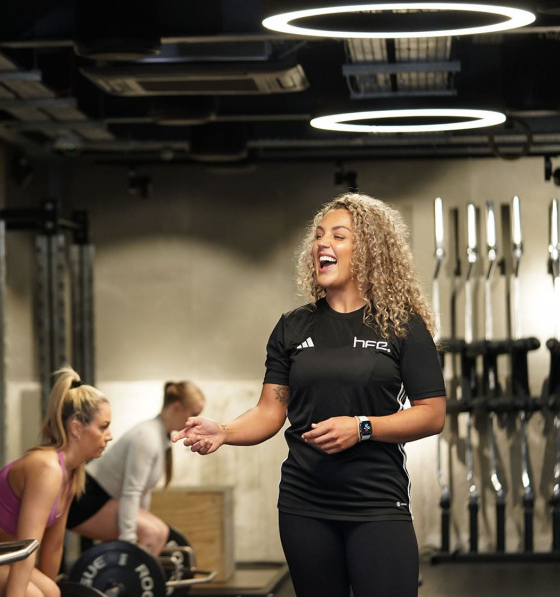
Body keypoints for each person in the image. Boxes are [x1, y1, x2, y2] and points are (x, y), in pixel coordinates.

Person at [175, 192, 446, 597]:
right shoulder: (292, 327)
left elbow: (431, 414)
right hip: (305, 504)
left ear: (370, 250)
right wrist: (224, 430)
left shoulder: (403, 327)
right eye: (319, 236)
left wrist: (363, 427)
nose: (323, 243)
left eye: (338, 236)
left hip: (376, 503)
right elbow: (270, 411)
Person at [0, 367, 112, 597]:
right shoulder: (47, 469)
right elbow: (27, 546)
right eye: (103, 427)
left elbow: (53, 547)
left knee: (51, 592)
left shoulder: (71, 474)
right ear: (76, 428)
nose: (109, 435)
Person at [67, 381, 206, 556]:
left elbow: (142, 493)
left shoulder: (159, 436)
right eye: (194, 414)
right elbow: (132, 492)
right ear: (177, 407)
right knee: (152, 533)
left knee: (160, 531)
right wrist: (129, 540)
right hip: (85, 500)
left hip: (103, 498)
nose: (195, 422)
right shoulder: (147, 436)